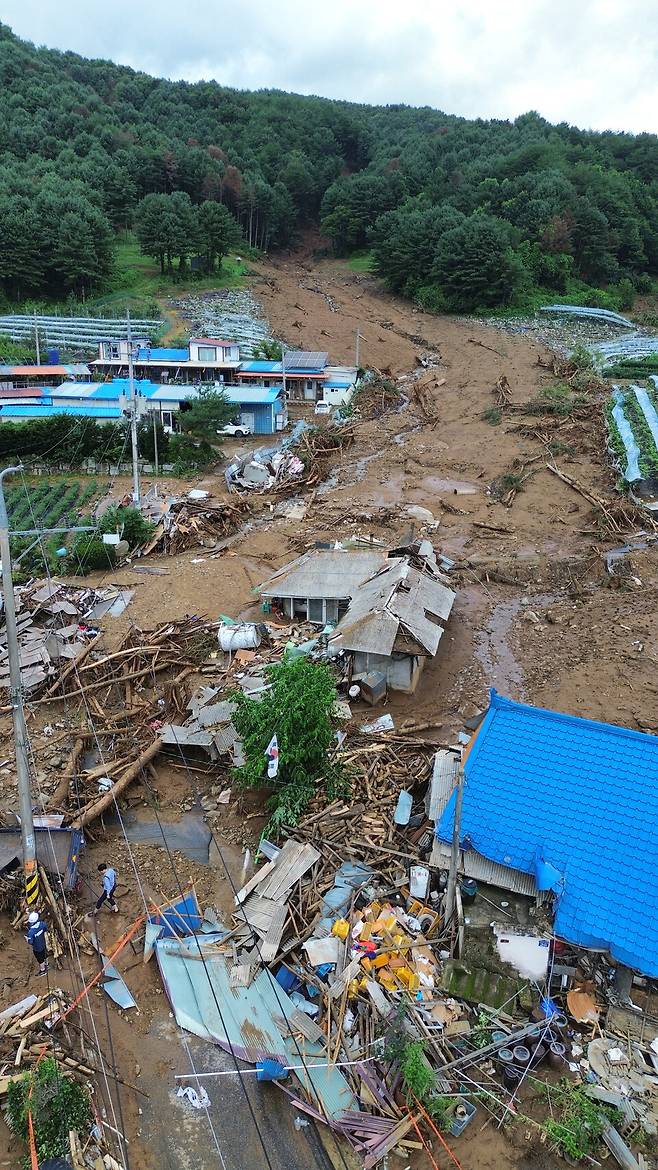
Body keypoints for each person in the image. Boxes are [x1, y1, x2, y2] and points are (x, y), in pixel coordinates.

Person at [25, 910, 48, 976]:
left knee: (40, 959)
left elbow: (30, 942)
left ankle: (43, 970)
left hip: (37, 948)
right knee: (44, 954)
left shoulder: (31, 932)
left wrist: (27, 939)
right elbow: (46, 929)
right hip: (43, 943)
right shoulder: (42, 924)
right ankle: (47, 964)